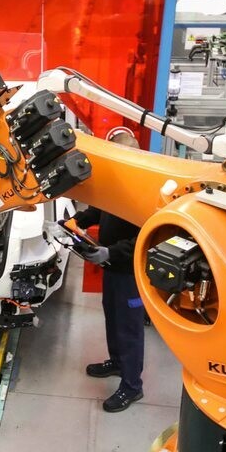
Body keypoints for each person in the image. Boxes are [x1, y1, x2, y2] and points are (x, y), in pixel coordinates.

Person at [67, 129, 146, 413]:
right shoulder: (118, 184)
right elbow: (100, 210)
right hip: (112, 267)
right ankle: (118, 362)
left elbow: (146, 238)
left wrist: (111, 252)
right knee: (113, 318)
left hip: (130, 272)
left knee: (129, 327)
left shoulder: (143, 191)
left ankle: (132, 386)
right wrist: (76, 220)